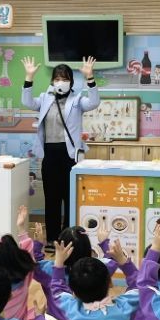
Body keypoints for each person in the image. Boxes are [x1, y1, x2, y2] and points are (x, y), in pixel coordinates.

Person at [21, 56, 100, 251]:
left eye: (64, 78)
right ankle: (52, 239)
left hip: (69, 156)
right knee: (52, 199)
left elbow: (94, 102)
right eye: (57, 78)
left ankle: (68, 238)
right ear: (52, 81)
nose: (60, 82)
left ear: (71, 82)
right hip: (49, 155)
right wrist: (29, 77)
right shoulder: (45, 98)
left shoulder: (77, 100)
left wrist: (90, 77)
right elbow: (27, 101)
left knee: (69, 197)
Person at [32, 224, 126, 320]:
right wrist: (104, 242)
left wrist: (38, 244)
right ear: (88, 248)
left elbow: (35, 265)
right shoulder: (97, 269)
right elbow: (112, 260)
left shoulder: (50, 270)